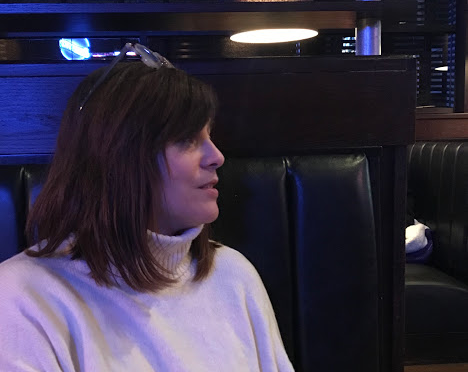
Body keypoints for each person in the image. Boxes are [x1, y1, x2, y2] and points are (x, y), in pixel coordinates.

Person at [0, 43, 294, 372]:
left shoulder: (233, 275)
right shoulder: (22, 297)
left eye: (209, 135)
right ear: (120, 156)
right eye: (187, 139)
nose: (217, 157)